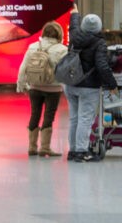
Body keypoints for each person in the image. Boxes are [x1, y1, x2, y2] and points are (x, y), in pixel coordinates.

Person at [64, 13, 116, 162]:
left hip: (71, 83)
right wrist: (111, 84)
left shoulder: (75, 36)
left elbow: (74, 26)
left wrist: (75, 13)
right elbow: (102, 65)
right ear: (99, 27)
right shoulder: (99, 43)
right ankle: (81, 151)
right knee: (85, 119)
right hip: (89, 86)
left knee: (74, 119)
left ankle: (73, 151)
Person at [16, 21, 67, 158]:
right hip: (53, 88)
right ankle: (45, 147)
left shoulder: (33, 47)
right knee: (48, 116)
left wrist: (22, 85)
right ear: (59, 34)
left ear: (44, 33)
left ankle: (32, 147)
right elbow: (66, 70)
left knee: (35, 114)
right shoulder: (62, 49)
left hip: (35, 87)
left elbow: (23, 67)